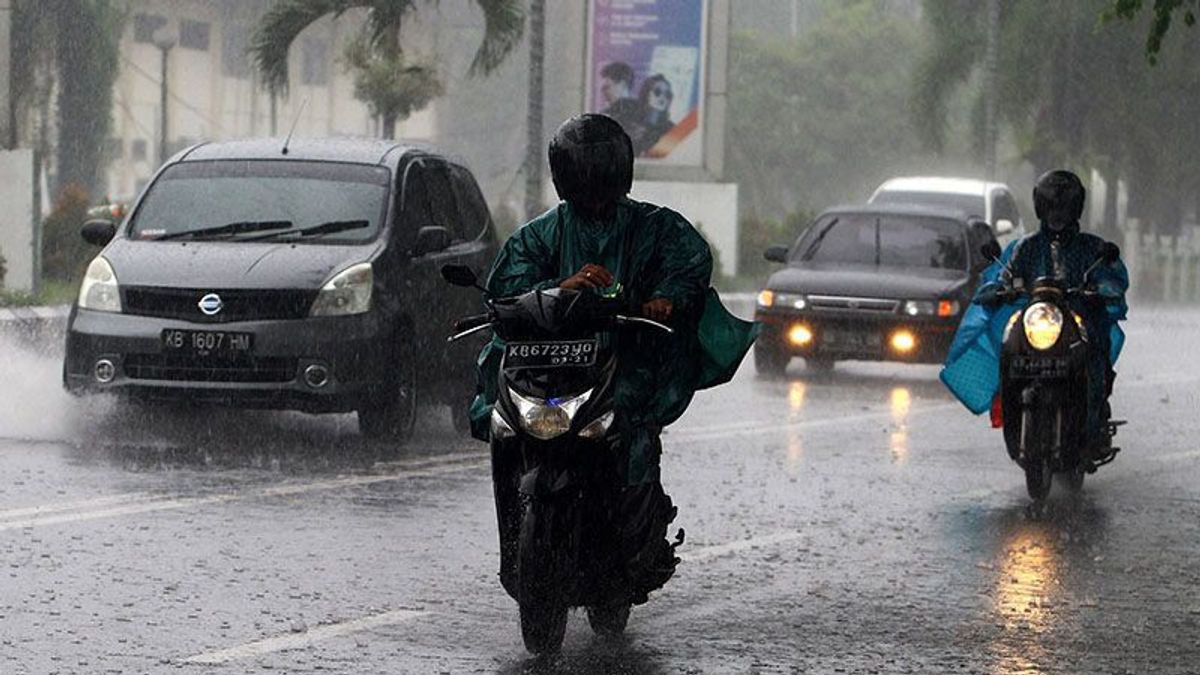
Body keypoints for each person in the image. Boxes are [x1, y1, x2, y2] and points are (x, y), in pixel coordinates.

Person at [469, 113, 757, 600]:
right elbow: (508, 289)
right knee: (504, 421)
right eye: (583, 173)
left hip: (624, 362)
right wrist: (561, 287)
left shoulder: (654, 228)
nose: (593, 185)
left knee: (631, 431)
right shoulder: (540, 236)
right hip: (546, 368)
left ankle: (636, 539)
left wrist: (666, 297)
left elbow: (687, 262)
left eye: (601, 173)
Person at [942, 169, 1129, 458]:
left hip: (1077, 319)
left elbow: (1113, 277)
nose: (1058, 213)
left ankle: (1095, 412)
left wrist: (1100, 288)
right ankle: (1009, 406)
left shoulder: (1092, 248)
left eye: (1064, 206)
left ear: (1077, 207)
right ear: (1040, 206)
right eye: (1052, 205)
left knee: (1096, 350)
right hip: (1037, 319)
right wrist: (998, 289)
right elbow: (1002, 277)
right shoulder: (1025, 247)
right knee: (1010, 344)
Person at [631, 74, 674, 156]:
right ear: (646, 93)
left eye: (667, 94)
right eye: (657, 92)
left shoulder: (671, 130)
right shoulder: (633, 125)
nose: (662, 97)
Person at [598, 61, 641, 132]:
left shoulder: (640, 113)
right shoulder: (643, 110)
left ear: (622, 85)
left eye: (607, 87)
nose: (603, 92)